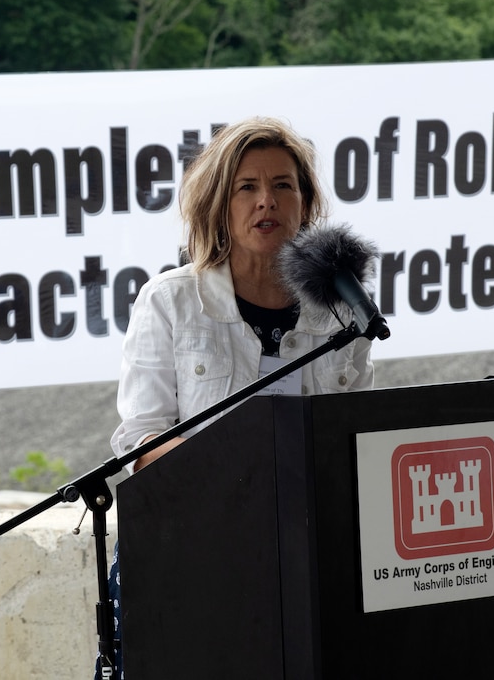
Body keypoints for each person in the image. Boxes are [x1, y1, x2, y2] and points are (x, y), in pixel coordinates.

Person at [94, 116, 375, 679]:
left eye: (283, 185)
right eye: (247, 187)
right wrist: (241, 482)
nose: (265, 201)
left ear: (305, 201)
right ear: (220, 203)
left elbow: (358, 436)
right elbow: (141, 439)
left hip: (306, 553)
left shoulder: (345, 310)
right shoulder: (171, 301)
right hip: (198, 548)